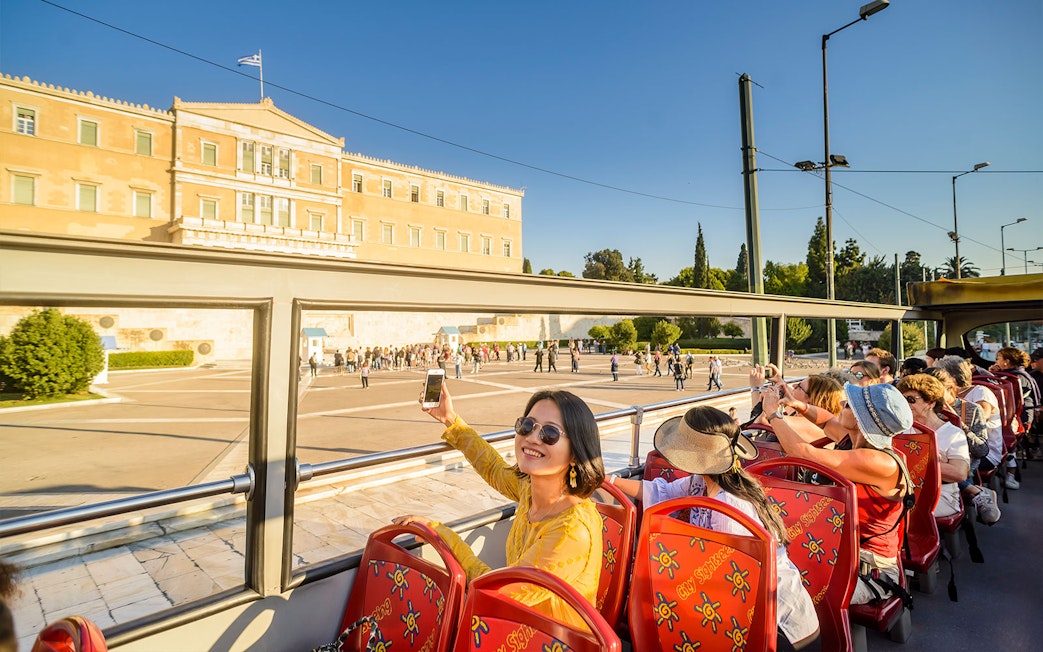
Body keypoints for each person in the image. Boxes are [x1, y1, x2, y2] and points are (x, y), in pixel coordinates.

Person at [396, 384, 605, 630]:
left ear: (575, 453)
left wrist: (439, 533)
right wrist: (450, 419)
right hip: (517, 628)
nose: (532, 438)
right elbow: (494, 468)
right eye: (527, 425)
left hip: (552, 640)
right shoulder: (530, 491)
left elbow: (496, 592)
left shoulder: (572, 532)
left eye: (550, 433)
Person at [611, 407, 820, 650]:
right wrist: (610, 481)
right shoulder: (701, 481)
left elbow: (731, 582)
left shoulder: (730, 507)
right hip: (739, 611)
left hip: (777, 628)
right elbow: (662, 492)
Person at [761, 383, 914, 606]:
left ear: (863, 422)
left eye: (850, 405)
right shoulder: (853, 440)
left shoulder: (881, 462)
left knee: (781, 588)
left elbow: (803, 453)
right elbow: (826, 420)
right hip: (839, 552)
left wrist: (773, 414)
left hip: (868, 569)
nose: (841, 404)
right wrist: (800, 405)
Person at [895, 374, 970, 518]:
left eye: (911, 400)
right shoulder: (899, 429)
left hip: (941, 494)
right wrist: (936, 462)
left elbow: (959, 473)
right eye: (902, 400)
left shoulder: (953, 433)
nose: (905, 405)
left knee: (897, 512)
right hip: (905, 491)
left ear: (931, 402)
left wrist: (919, 460)